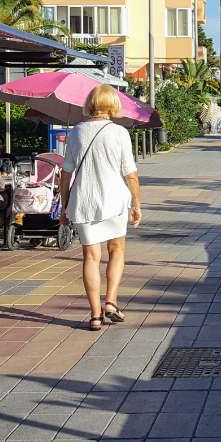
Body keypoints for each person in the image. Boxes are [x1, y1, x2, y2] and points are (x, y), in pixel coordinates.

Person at [57, 85, 142, 332]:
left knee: (90, 257)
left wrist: (64, 205)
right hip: (114, 200)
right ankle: (111, 302)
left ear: (91, 104)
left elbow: (66, 174)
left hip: (84, 201)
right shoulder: (119, 133)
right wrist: (136, 203)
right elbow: (131, 174)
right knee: (116, 250)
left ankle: (95, 315)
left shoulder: (76, 133)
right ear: (113, 104)